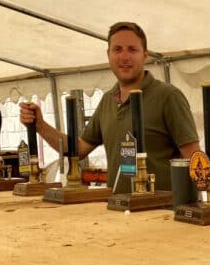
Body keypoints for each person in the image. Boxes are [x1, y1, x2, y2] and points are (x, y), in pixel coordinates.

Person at [20, 21, 200, 191]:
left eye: (132, 49)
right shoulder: (108, 100)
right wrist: (40, 125)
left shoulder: (168, 96)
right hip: (118, 207)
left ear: (145, 55)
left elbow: (194, 159)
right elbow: (78, 149)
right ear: (108, 55)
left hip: (162, 209)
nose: (124, 57)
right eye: (117, 49)